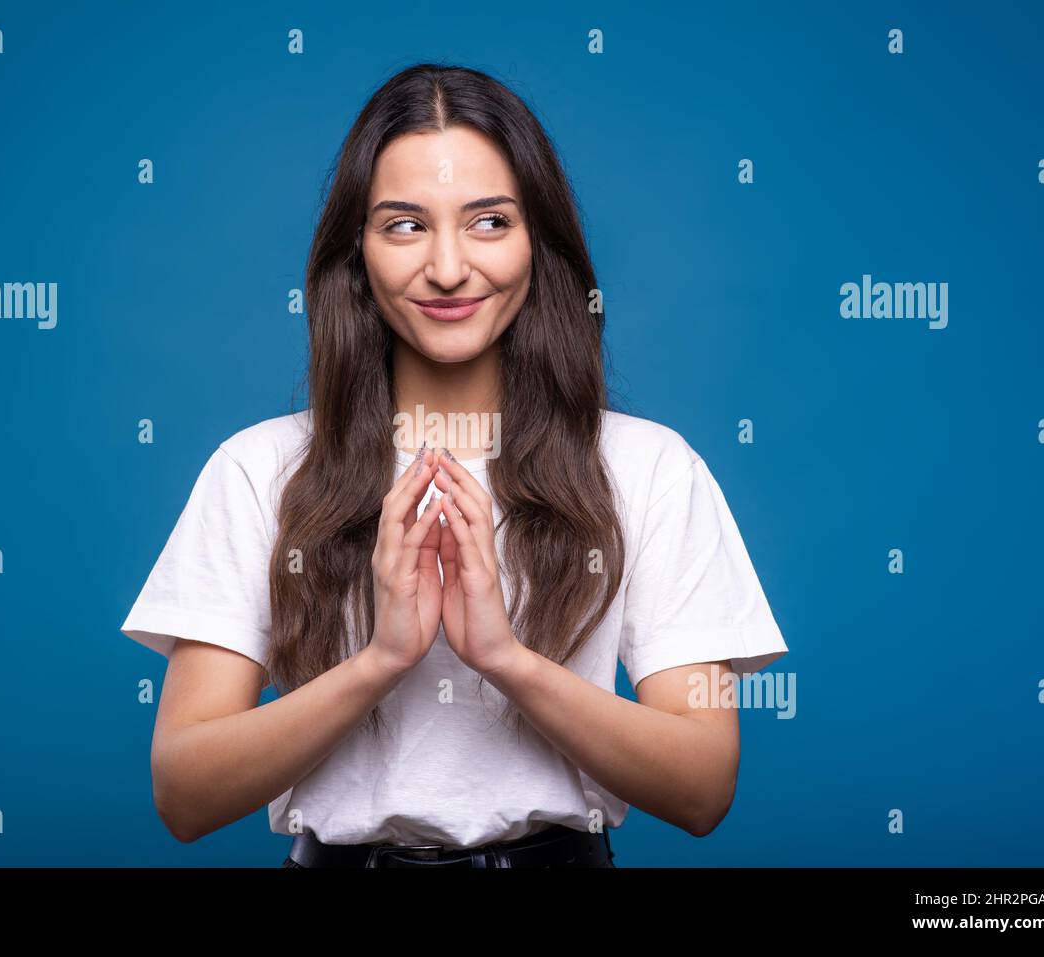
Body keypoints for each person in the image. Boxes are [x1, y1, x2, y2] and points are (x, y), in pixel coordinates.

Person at [120, 62, 788, 868]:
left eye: (489, 222)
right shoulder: (258, 469)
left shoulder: (650, 468)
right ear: (355, 252)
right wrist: (381, 662)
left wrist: (504, 658)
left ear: (539, 243)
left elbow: (703, 786)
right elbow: (184, 794)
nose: (446, 268)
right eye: (404, 225)